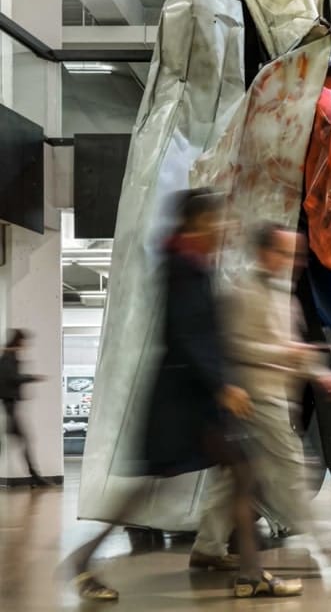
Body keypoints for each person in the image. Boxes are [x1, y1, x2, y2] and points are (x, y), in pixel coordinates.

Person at [64, 191, 301, 601]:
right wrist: (223, 385)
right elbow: (187, 334)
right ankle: (83, 561)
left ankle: (250, 574)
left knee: (241, 472)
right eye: (216, 221)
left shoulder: (192, 263)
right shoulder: (182, 266)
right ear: (196, 224)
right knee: (166, 482)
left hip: (192, 399)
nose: (224, 228)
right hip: (183, 402)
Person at [189, 222, 331, 573]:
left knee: (234, 480)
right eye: (285, 253)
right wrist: (282, 352)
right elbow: (231, 346)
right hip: (255, 399)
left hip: (275, 397)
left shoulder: (285, 299)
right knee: (293, 471)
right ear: (263, 252)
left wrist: (323, 375)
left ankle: (207, 548)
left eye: (296, 254)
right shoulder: (240, 293)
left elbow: (298, 352)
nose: (294, 261)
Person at [0, 330, 49, 487]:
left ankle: (35, 476)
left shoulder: (8, 355)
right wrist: (32, 377)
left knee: (21, 440)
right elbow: (11, 378)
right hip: (10, 405)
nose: (26, 345)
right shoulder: (8, 357)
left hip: (10, 405)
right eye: (24, 342)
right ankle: (35, 476)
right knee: (22, 440)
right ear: (19, 341)